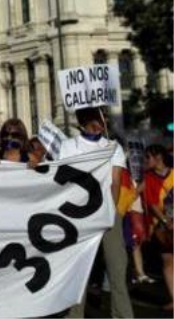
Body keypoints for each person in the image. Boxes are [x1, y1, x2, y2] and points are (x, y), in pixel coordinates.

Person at [61, 107, 133, 319]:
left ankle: (122, 315)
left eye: (103, 119)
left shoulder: (113, 147)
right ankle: (75, 315)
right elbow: (64, 179)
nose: (103, 122)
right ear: (85, 121)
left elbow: (116, 181)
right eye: (99, 119)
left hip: (109, 214)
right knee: (78, 271)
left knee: (117, 271)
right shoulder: (68, 146)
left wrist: (109, 213)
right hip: (78, 216)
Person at [142, 145, 174, 307]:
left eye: (148, 157)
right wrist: (165, 221)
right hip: (162, 226)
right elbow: (152, 203)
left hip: (168, 223)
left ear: (159, 157)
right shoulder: (148, 178)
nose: (146, 161)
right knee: (167, 260)